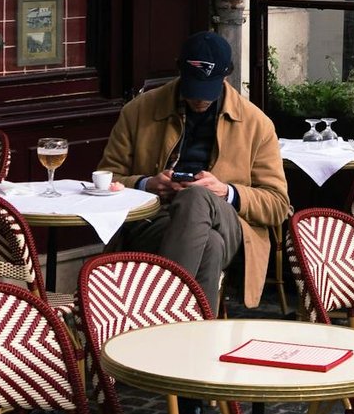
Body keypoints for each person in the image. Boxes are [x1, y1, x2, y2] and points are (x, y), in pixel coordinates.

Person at [96, 30, 290, 308]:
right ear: (178, 70)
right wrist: (147, 184)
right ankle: (191, 337)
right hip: (155, 218)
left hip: (229, 224)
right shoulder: (139, 111)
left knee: (197, 197)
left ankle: (162, 309)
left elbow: (278, 205)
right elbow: (106, 178)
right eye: (193, 89)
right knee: (209, 245)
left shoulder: (256, 124)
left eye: (206, 90)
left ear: (227, 75)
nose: (199, 99)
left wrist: (226, 192)